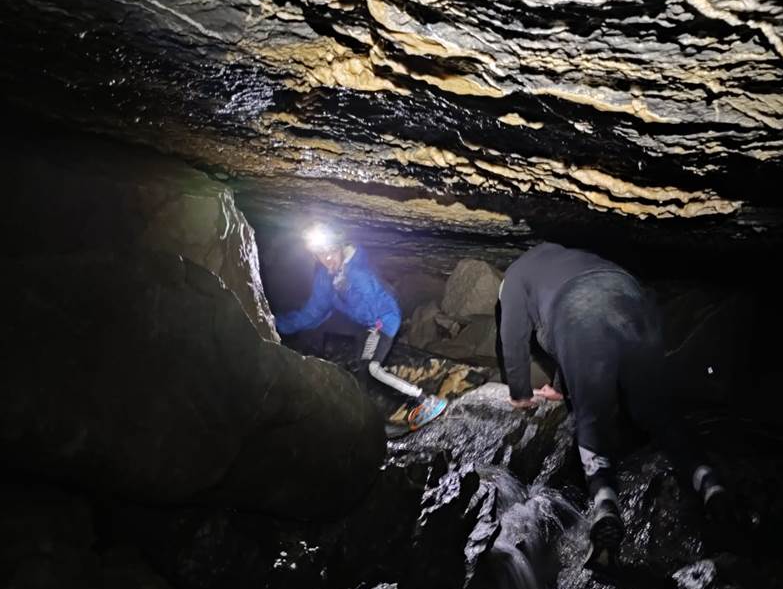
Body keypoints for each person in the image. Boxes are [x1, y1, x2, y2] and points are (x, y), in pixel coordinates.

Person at [498, 242, 729, 567]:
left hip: (579, 306)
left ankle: (606, 503)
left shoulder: (514, 276)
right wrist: (560, 388)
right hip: (632, 296)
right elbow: (568, 346)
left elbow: (513, 335)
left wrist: (520, 392)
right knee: (656, 409)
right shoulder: (560, 260)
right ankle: (708, 481)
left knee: (592, 415)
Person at [274, 224, 448, 431]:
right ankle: (376, 423)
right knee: (363, 371)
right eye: (321, 254)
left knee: (373, 368)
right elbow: (312, 314)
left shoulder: (358, 273)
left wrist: (377, 327)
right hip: (366, 324)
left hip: (383, 320)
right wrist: (275, 324)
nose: (327, 258)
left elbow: (384, 306)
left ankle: (427, 400)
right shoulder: (326, 278)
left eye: (331, 251)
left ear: (340, 247)